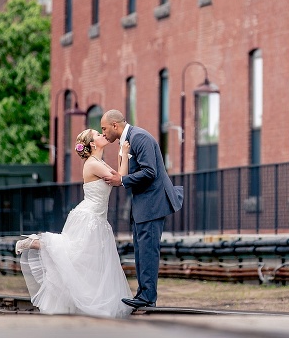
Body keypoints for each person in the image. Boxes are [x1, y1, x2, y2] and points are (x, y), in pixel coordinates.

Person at [15, 129, 134, 318]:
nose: (102, 135)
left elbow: (120, 177)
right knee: (74, 255)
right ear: (93, 144)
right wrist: (124, 153)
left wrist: (122, 154)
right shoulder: (93, 164)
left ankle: (92, 304)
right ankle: (34, 242)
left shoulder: (99, 162)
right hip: (89, 217)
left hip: (98, 219)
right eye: (97, 134)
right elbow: (120, 180)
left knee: (89, 263)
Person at [101, 109, 183, 310]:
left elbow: (149, 171)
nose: (103, 133)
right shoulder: (129, 140)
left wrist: (122, 180)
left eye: (104, 129)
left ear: (115, 125)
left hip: (153, 204)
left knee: (148, 250)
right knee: (141, 250)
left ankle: (147, 297)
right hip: (143, 205)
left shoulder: (140, 137)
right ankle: (143, 294)